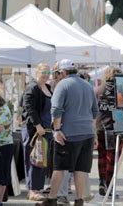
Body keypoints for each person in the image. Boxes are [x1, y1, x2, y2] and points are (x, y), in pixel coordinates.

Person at [40, 59, 98, 206]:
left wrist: (57, 130)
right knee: (81, 169)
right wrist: (94, 133)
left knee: (59, 168)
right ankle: (79, 200)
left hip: (68, 134)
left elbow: (56, 110)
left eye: (57, 73)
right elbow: (94, 112)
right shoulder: (87, 85)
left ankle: (52, 199)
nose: (57, 76)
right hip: (87, 133)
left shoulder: (63, 85)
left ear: (63, 72)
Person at [21, 63, 53, 202]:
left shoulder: (48, 87)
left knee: (41, 160)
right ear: (37, 72)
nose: (45, 74)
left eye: (48, 72)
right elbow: (28, 106)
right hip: (34, 129)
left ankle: (38, 188)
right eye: (43, 72)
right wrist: (37, 125)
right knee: (33, 158)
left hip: (46, 129)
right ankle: (32, 190)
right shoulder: (33, 87)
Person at [94, 67, 122, 197]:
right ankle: (108, 185)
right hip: (113, 126)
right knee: (111, 157)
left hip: (100, 126)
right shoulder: (118, 90)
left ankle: (102, 182)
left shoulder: (99, 89)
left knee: (102, 156)